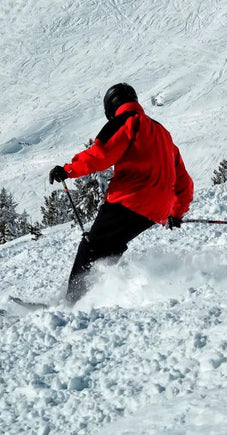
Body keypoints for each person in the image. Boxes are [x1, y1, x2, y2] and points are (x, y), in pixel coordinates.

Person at [49, 83, 194, 302]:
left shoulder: (125, 122)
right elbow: (184, 181)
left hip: (130, 199)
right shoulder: (163, 133)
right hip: (157, 209)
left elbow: (101, 154)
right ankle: (97, 295)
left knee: (92, 245)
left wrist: (68, 170)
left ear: (110, 108)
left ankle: (72, 303)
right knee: (109, 247)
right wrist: (176, 212)